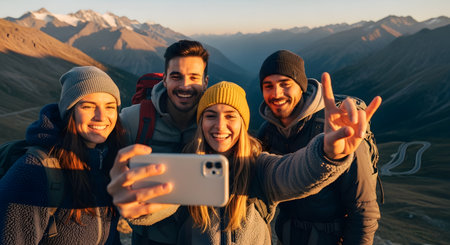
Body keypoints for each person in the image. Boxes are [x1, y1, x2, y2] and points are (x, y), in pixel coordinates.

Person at [107, 78, 382, 245]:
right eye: (211, 115)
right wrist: (140, 207)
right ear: (201, 121)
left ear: (243, 123)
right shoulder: (185, 165)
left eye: (230, 116)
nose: (220, 125)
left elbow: (293, 172)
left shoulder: (259, 167)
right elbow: (159, 206)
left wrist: (328, 152)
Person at [257, 50, 381, 244]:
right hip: (288, 237)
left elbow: (364, 210)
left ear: (301, 87)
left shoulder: (339, 130)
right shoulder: (268, 131)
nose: (276, 93)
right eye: (268, 86)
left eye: (285, 84)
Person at [0, 66, 124, 244]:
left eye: (110, 107)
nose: (101, 116)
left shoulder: (107, 163)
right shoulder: (35, 169)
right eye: (88, 106)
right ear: (69, 112)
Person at [118, 39, 209, 244]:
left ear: (205, 81)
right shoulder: (134, 120)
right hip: (149, 238)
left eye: (194, 77)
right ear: (165, 80)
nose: (185, 85)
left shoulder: (215, 124)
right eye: (176, 77)